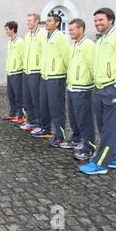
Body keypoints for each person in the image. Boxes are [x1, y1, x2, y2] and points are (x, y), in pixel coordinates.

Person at [79, 8, 116, 175]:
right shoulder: (102, 39)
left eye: (101, 20)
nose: (97, 23)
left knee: (110, 127)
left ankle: (100, 163)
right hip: (100, 87)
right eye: (95, 21)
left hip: (113, 88)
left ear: (111, 20)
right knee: (103, 125)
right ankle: (113, 158)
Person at [31, 13, 71, 148]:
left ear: (57, 23)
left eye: (49, 21)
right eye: (46, 21)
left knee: (56, 108)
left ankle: (60, 135)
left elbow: (67, 57)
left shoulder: (61, 37)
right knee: (44, 104)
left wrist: (67, 75)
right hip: (45, 76)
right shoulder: (45, 37)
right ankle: (45, 128)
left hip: (56, 77)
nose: (46, 23)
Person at [61, 19, 96, 161]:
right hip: (72, 87)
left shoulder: (88, 45)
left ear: (81, 29)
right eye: (69, 30)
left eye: (72, 30)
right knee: (74, 118)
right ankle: (76, 138)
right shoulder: (74, 44)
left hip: (84, 89)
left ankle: (89, 148)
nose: (70, 32)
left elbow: (93, 66)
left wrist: (96, 85)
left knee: (84, 119)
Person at [20, 14, 47, 132]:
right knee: (27, 98)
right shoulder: (27, 35)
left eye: (30, 20)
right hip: (26, 71)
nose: (28, 22)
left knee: (37, 99)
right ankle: (31, 121)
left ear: (37, 21)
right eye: (27, 20)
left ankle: (40, 124)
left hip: (36, 71)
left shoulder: (42, 35)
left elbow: (44, 53)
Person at [4, 21, 25, 124]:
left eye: (7, 29)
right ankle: (13, 113)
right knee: (11, 94)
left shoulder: (20, 42)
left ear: (13, 29)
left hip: (18, 72)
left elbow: (24, 57)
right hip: (10, 72)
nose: (6, 32)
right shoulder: (10, 42)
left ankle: (21, 115)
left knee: (19, 95)